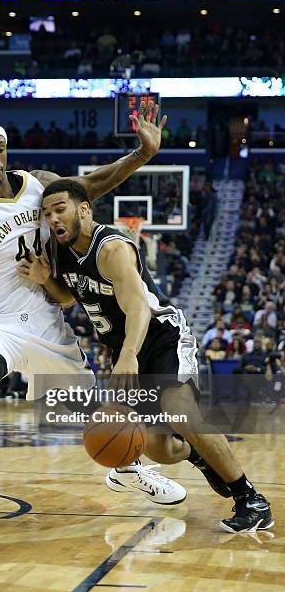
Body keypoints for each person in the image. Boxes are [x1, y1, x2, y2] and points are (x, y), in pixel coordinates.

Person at [0, 101, 180, 522]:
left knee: (92, 406)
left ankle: (127, 467)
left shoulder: (37, 186)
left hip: (42, 316)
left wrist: (141, 155)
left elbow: (88, 187)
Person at [18, 178, 274, 534]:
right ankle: (200, 455)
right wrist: (46, 279)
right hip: (125, 347)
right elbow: (70, 297)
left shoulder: (112, 249)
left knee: (181, 410)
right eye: (47, 214)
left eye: (60, 209)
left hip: (160, 337)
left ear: (83, 209)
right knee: (156, 448)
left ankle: (251, 499)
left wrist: (128, 355)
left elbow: (138, 308)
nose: (53, 219)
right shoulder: (60, 251)